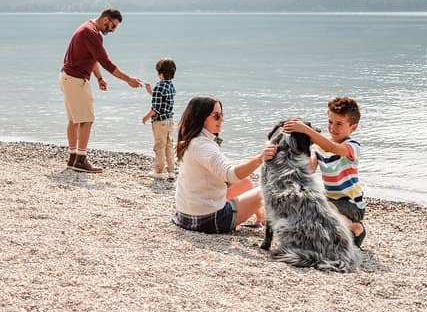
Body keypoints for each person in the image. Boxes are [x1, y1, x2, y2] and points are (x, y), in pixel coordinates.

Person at [172, 96, 276, 233]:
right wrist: (260, 159)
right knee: (268, 188)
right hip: (209, 220)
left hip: (185, 214)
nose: (222, 120)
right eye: (216, 116)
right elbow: (230, 174)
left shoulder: (191, 140)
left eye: (221, 115)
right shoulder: (204, 146)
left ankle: (261, 219)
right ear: (201, 117)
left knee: (245, 181)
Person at [59, 8, 142, 173]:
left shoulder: (87, 28)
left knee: (74, 120)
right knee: (87, 120)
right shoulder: (91, 33)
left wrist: (99, 78)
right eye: (113, 26)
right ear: (106, 19)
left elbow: (93, 58)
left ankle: (73, 158)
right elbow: (106, 62)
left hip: (67, 77)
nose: (113, 30)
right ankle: (80, 160)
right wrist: (128, 80)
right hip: (75, 80)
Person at [282, 96, 367, 247]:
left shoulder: (352, 147)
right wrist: (302, 144)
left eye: (339, 124)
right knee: (309, 206)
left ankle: (355, 227)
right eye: (330, 122)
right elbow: (309, 169)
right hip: (331, 200)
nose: (333, 128)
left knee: (325, 209)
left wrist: (306, 130)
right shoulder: (320, 148)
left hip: (352, 204)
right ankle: (339, 234)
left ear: (353, 127)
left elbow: (332, 148)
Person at [141, 58, 177, 180]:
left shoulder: (159, 87)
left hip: (159, 121)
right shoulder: (171, 86)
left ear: (160, 73)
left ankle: (159, 171)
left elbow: (156, 108)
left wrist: (146, 117)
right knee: (169, 145)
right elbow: (163, 101)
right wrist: (150, 91)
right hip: (169, 120)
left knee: (159, 145)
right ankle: (171, 171)